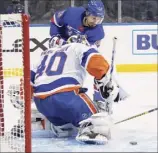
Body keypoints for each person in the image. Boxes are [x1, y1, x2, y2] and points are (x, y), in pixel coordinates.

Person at [30, 35, 124, 144]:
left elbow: (29, 80)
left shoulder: (45, 54)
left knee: (67, 122)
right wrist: (104, 81)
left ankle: (57, 127)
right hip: (66, 95)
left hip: (41, 102)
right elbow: (95, 61)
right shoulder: (78, 47)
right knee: (97, 121)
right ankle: (91, 130)